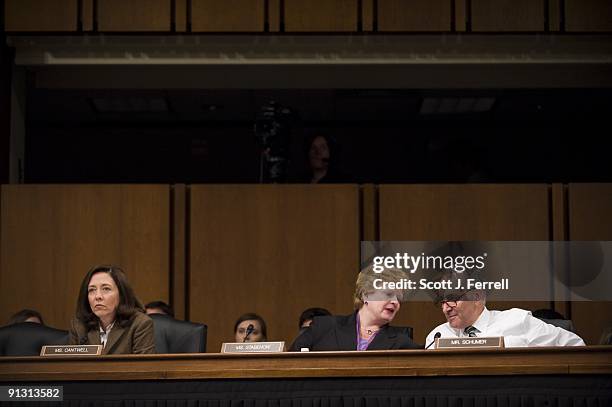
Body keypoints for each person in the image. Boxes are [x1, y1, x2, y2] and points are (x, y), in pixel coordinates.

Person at [290, 267, 421, 351]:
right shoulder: (324, 327)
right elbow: (289, 363)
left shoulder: (401, 342)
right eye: (388, 294)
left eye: (399, 298)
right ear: (365, 294)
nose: (395, 302)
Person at [425, 290, 585, 348]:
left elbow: (575, 346)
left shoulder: (517, 320)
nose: (446, 308)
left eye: (452, 299)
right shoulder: (437, 336)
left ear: (477, 296)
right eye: (442, 302)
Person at [69, 265, 155, 354]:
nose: (98, 296)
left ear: (121, 294)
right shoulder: (79, 325)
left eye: (106, 289)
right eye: (92, 290)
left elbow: (142, 367)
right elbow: (72, 366)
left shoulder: (140, 324)